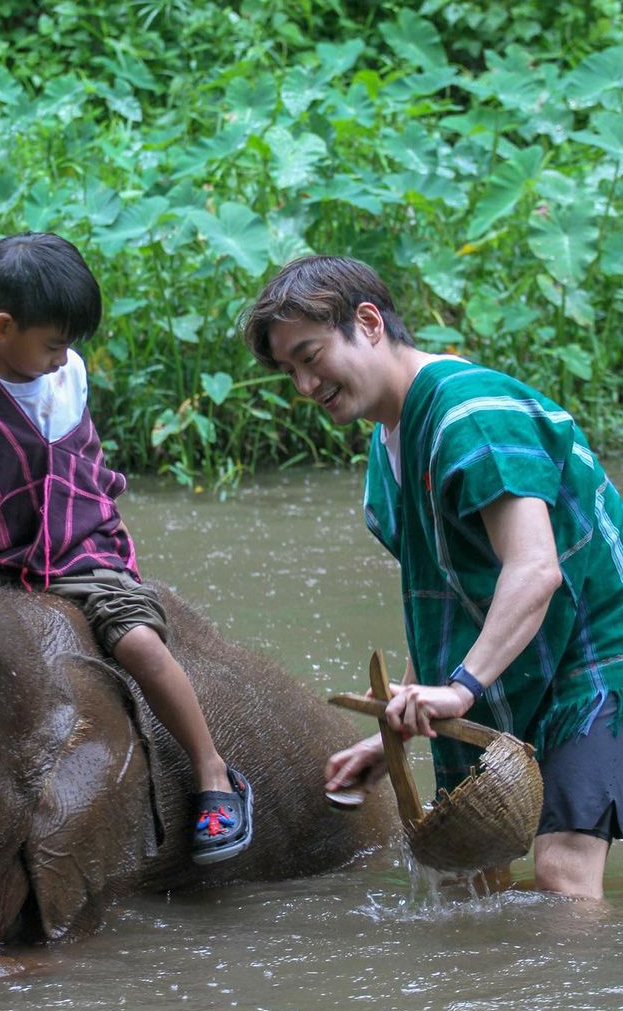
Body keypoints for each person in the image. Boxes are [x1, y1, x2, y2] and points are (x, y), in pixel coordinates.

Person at [242, 253, 623, 899]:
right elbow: (449, 607)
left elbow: (534, 571)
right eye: (290, 372)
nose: (305, 386)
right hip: (531, 657)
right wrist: (389, 738)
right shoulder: (387, 452)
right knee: (467, 881)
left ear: (367, 322)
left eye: (310, 356)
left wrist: (462, 690)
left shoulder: (469, 415)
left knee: (560, 874)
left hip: (599, 654)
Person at [0, 231, 252, 864]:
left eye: (68, 345)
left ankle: (213, 772)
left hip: (81, 551)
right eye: (53, 343)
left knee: (139, 640)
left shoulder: (67, 373)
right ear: (2, 327)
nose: (63, 358)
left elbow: (77, 460)